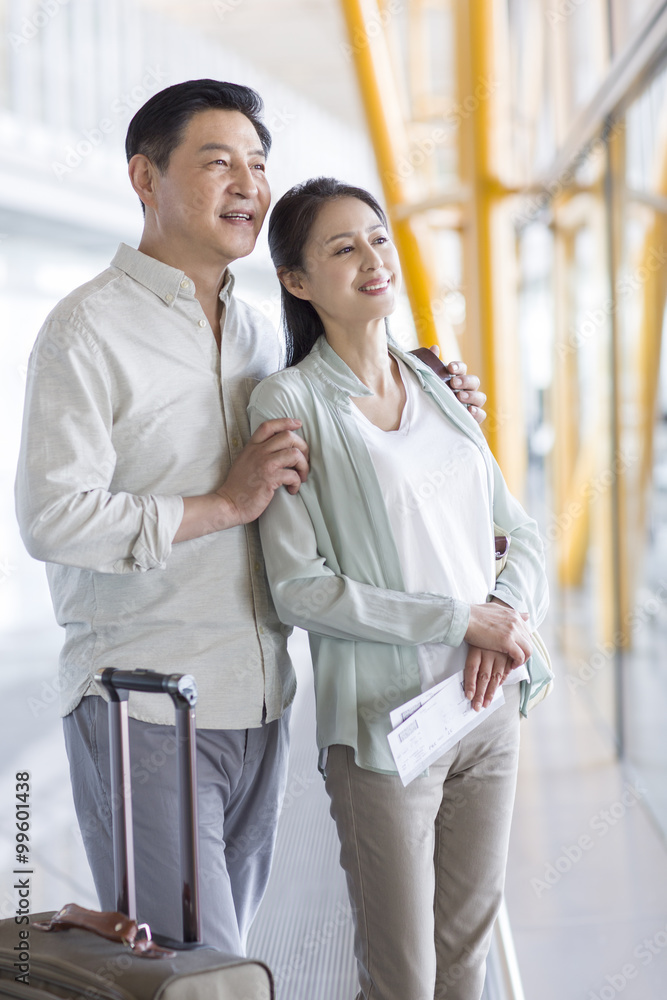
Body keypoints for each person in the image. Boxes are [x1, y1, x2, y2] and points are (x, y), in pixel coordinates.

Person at [14, 82, 486, 952]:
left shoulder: (266, 330)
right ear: (143, 177)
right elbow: (52, 516)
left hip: (262, 702)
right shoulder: (87, 331)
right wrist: (222, 504)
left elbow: (343, 436)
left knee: (216, 962)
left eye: (258, 163)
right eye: (217, 160)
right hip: (145, 704)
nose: (247, 182)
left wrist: (420, 394)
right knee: (193, 972)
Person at [248, 177, 549, 999]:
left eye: (377, 238)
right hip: (386, 731)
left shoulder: (437, 388)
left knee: (465, 962)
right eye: (342, 247)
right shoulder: (291, 401)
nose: (371, 258)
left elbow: (520, 534)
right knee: (403, 979)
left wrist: (506, 617)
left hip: (483, 709)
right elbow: (300, 590)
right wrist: (464, 618)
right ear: (298, 281)